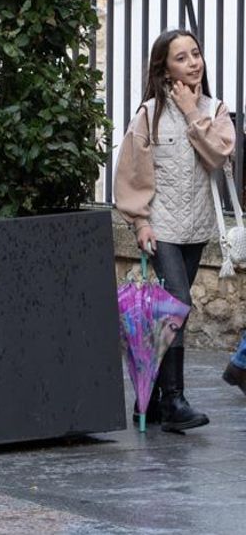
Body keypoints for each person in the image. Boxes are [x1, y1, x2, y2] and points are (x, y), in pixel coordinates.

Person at [115, 29, 234, 432]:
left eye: (195, 54)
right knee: (178, 303)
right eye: (181, 58)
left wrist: (191, 113)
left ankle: (149, 399)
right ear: (164, 68)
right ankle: (176, 400)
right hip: (162, 225)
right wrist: (140, 222)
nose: (193, 63)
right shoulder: (148, 113)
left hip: (198, 225)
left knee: (169, 312)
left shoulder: (215, 110)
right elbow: (130, 172)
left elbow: (218, 155)